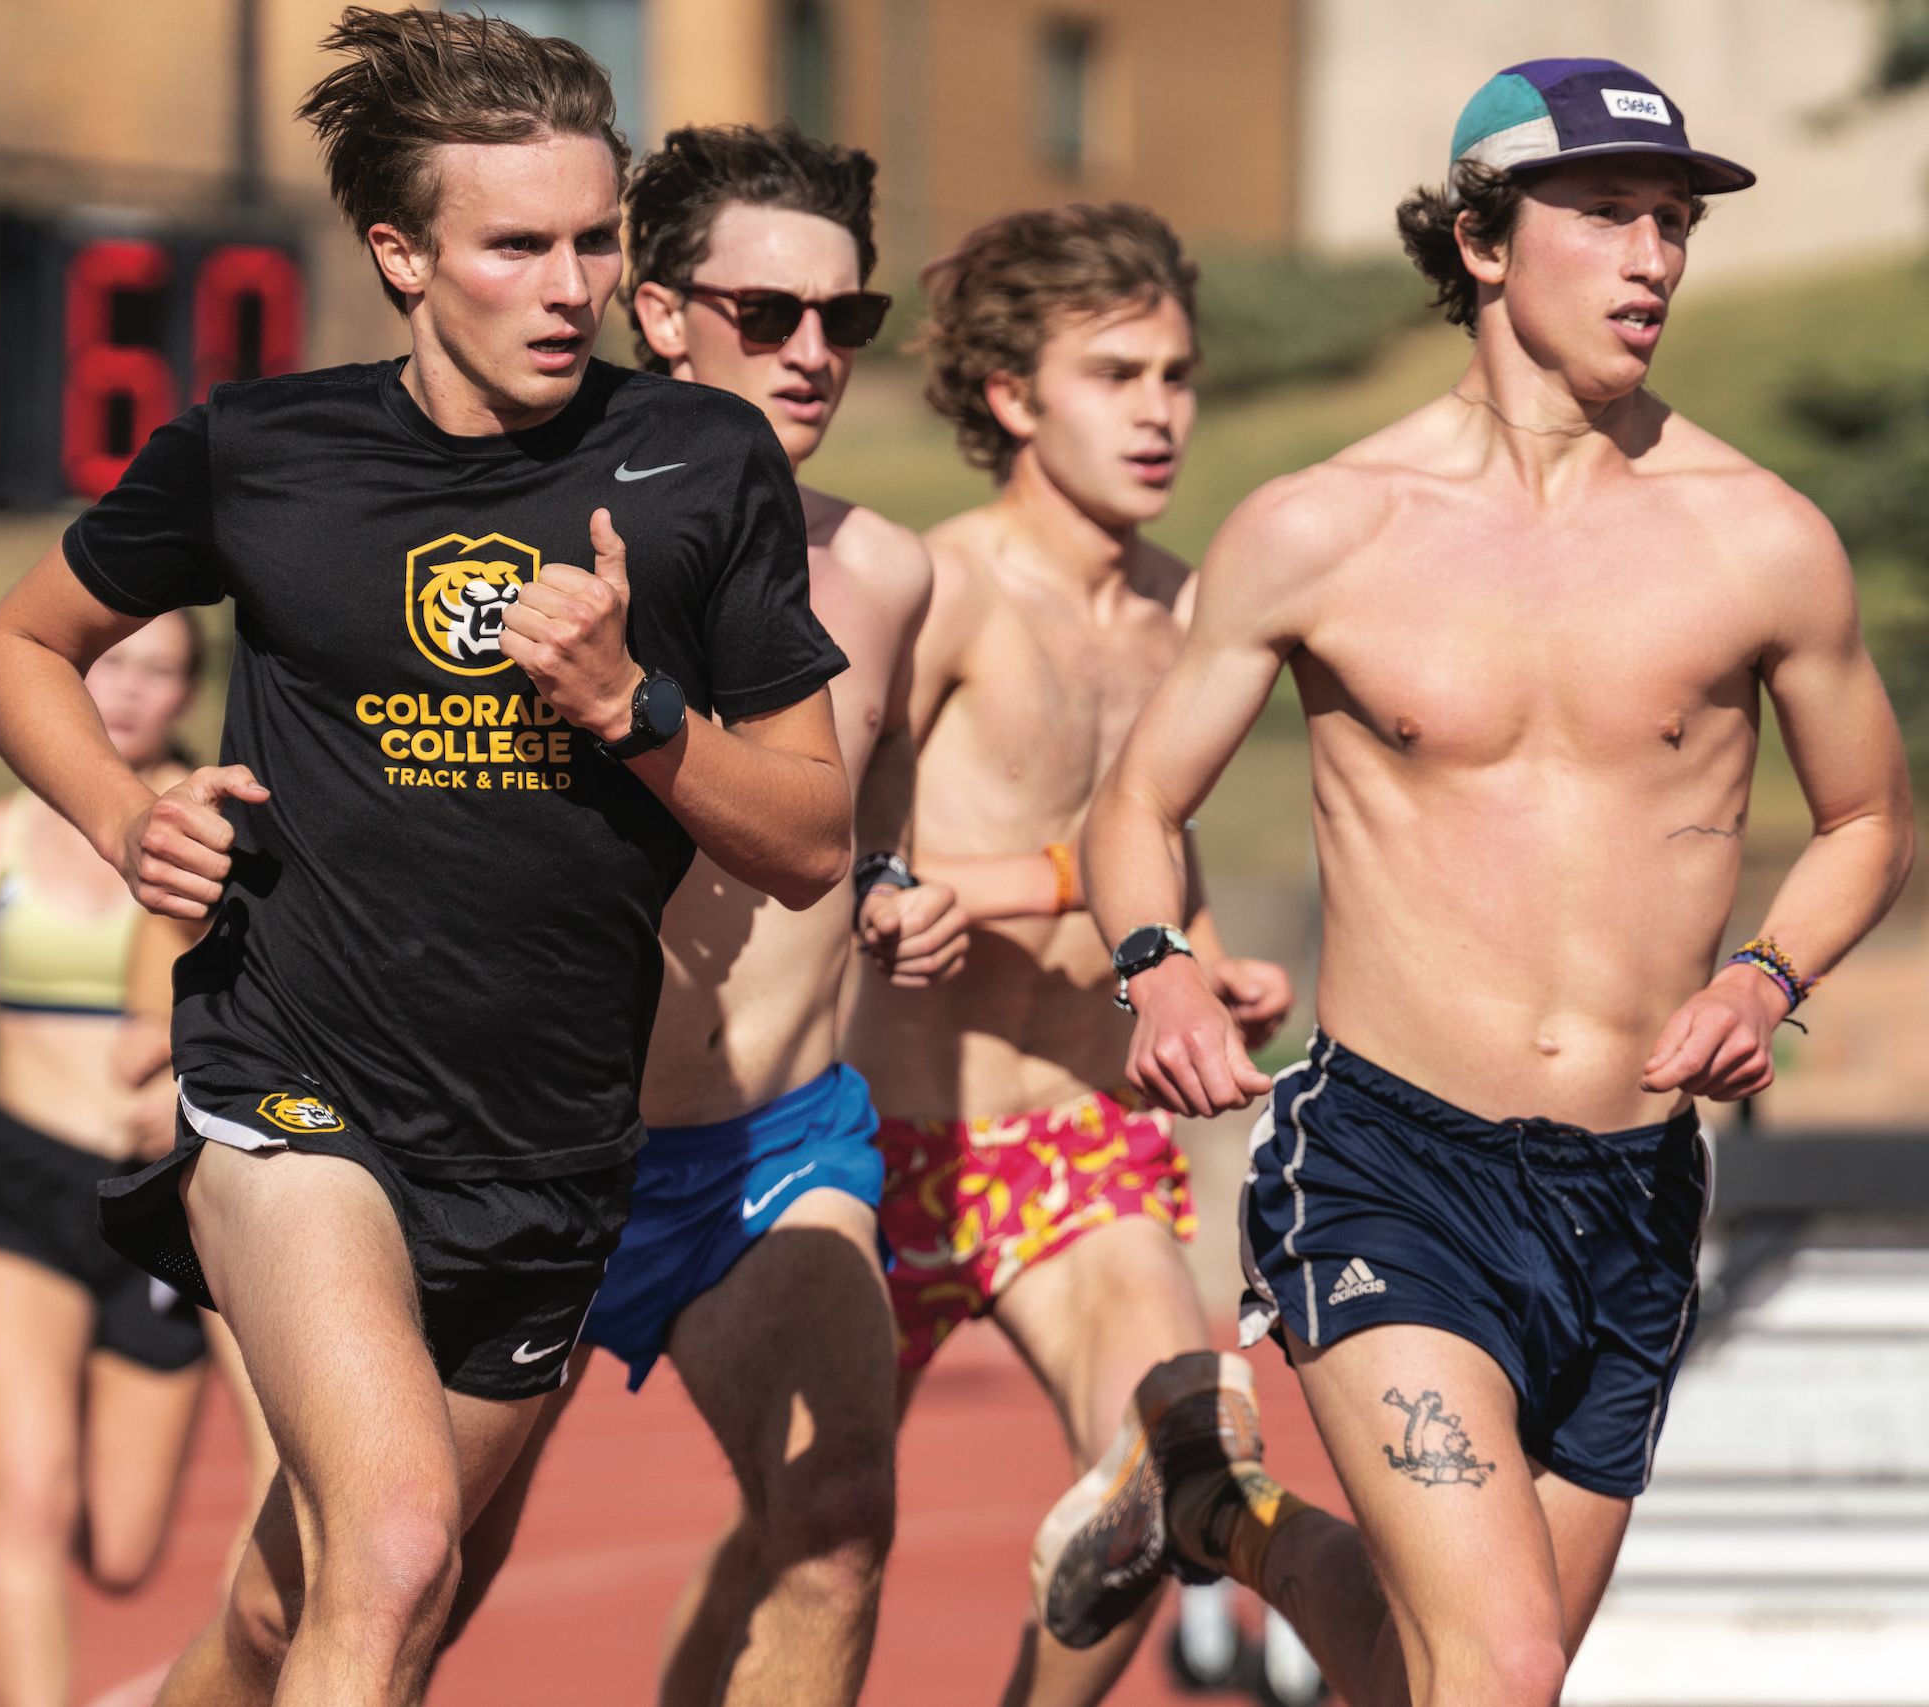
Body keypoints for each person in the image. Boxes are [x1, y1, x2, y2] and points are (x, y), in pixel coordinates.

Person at [0, 12, 852, 1706]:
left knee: (305, 1611)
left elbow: (813, 839)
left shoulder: (698, 464)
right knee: (395, 1543)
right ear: (401, 254)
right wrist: (119, 809)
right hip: (294, 1081)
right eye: (517, 245)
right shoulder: (261, 453)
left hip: (548, 1139)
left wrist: (630, 705)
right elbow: (18, 646)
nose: (568, 283)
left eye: (593, 240)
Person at [1067, 58, 1914, 1707]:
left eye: (1672, 223)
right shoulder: (1324, 526)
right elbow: (1133, 805)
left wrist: (1765, 975)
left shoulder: (1761, 536)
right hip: (1389, 1169)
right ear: (1477, 241)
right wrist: (1157, 961)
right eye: (1604, 217)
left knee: (1424, 1666)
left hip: (1631, 1196)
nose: (1653, 259)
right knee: (1507, 1663)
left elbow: (1869, 818)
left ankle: (1214, 1510)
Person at [445, 121, 945, 1707]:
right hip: (518, 1142)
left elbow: (873, 807)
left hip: (765, 1144)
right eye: (770, 315)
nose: (813, 355)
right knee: (372, 1586)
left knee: (836, 1526)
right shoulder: (512, 530)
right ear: (661, 313)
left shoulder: (888, 573)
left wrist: (892, 886)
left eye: (846, 322)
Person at [841, 202, 1294, 1706]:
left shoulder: (1187, 614)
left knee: (1180, 1464)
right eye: (1116, 375)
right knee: (806, 1548)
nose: (1160, 411)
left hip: (1078, 1142)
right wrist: (968, 886)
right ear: (1013, 397)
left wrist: (1210, 963)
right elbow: (825, 848)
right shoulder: (936, 586)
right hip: (879, 1142)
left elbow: (1158, 851)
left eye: (1176, 373)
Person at [0, 609, 272, 1707]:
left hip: (166, 1199)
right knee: (25, 1489)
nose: (131, 694)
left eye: (162, 674)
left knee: (125, 1548)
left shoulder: (225, 829)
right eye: (113, 667)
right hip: (24, 1182)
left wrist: (186, 1081)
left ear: (190, 691)